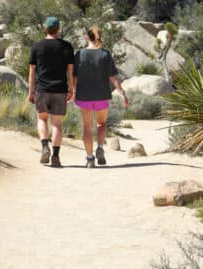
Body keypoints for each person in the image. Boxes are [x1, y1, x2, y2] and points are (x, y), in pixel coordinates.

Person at [73, 25, 128, 168]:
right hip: (102, 96)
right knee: (102, 124)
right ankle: (100, 148)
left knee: (87, 127)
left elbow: (75, 77)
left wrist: (72, 92)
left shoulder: (79, 54)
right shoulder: (105, 54)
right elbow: (112, 76)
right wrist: (122, 93)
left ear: (86, 37)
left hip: (84, 96)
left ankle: (90, 158)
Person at [28, 16, 75, 168]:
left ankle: (44, 147)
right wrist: (71, 89)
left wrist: (31, 91)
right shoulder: (66, 46)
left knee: (42, 119)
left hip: (42, 89)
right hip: (60, 89)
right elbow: (70, 70)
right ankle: (55, 156)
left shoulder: (36, 46)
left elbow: (32, 71)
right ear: (58, 29)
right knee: (57, 124)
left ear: (45, 29)